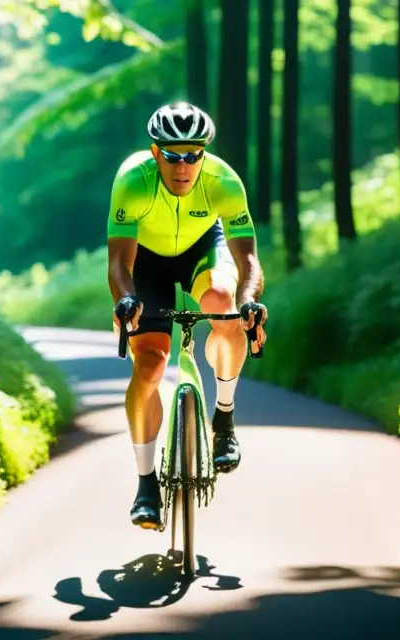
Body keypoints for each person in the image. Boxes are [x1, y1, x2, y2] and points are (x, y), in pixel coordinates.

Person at [107, 101, 268, 529]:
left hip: (202, 248)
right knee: (150, 364)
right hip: (148, 262)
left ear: (204, 155)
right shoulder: (133, 181)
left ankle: (225, 418)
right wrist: (125, 300)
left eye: (193, 155)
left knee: (222, 301)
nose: (184, 166)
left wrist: (249, 299)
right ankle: (145, 485)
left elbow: (248, 260)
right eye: (173, 156)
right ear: (156, 153)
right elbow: (119, 263)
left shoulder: (223, 182)